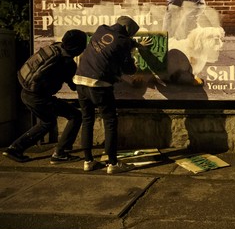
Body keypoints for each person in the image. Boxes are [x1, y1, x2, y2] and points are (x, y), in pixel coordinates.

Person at [73, 16, 152, 174]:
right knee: (110, 122)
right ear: (128, 31)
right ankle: (113, 164)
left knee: (87, 119)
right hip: (99, 85)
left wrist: (135, 44)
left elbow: (118, 41)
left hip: (80, 81)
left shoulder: (101, 29)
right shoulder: (123, 42)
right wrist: (134, 60)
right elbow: (129, 69)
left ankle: (88, 161)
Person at [3, 29, 87, 163]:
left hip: (26, 92)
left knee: (47, 122)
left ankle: (15, 148)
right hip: (38, 98)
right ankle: (60, 153)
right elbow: (73, 85)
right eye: (82, 46)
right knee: (75, 115)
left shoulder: (56, 47)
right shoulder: (67, 63)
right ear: (77, 48)